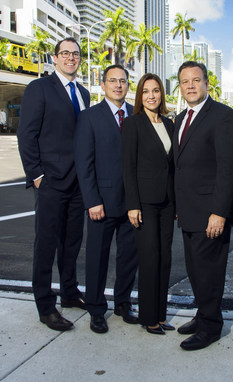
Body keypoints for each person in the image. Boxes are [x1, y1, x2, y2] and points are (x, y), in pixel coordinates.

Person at [17, 37, 90, 331]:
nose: (71, 57)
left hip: (78, 185)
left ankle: (70, 294)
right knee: (46, 245)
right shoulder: (39, 88)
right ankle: (45, 306)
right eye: (65, 53)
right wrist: (36, 175)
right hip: (50, 182)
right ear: (56, 58)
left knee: (71, 243)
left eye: (75, 54)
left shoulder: (84, 92)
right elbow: (27, 134)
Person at [173, 61, 233, 351]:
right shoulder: (179, 119)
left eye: (196, 80)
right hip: (188, 212)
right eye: (185, 81)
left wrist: (219, 212)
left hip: (211, 213)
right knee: (196, 270)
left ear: (206, 84)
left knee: (210, 272)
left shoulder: (223, 116)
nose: (190, 85)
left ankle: (211, 327)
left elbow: (228, 168)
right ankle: (203, 316)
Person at [74, 64, 139, 334]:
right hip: (102, 201)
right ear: (103, 85)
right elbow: (84, 161)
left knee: (128, 258)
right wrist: (92, 200)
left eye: (122, 81)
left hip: (133, 204)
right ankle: (96, 309)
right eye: (112, 81)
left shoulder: (136, 114)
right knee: (97, 258)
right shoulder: (89, 117)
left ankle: (123, 303)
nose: (118, 85)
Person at [121, 73, 175, 335]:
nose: (151, 96)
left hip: (166, 203)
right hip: (144, 203)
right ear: (139, 96)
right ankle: (148, 317)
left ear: (161, 94)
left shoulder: (169, 123)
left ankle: (161, 315)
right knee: (150, 258)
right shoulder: (133, 124)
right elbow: (128, 168)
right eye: (146, 91)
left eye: (156, 91)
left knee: (165, 259)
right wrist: (133, 204)